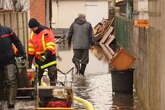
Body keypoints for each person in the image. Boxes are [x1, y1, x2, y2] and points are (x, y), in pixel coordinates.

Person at [0, 25, 25, 108]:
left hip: (9, 61)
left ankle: (11, 103)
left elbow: (16, 41)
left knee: (11, 81)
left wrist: (22, 52)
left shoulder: (7, 30)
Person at [28, 18, 57, 86]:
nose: (32, 30)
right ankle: (38, 91)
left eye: (33, 28)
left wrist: (45, 56)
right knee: (37, 76)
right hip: (39, 59)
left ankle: (53, 90)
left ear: (37, 26)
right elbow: (31, 49)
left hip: (49, 57)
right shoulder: (32, 34)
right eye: (31, 28)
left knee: (52, 73)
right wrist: (29, 61)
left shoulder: (46, 32)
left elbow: (50, 45)